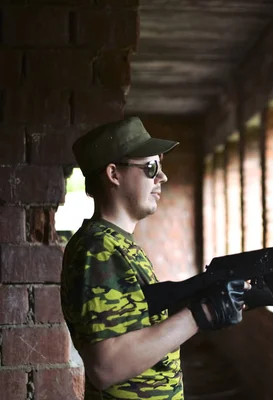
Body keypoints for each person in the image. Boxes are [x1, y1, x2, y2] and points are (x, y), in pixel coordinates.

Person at [60, 116, 248, 399]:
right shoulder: (98, 249)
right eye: (151, 167)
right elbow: (106, 366)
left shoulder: (117, 243)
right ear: (114, 174)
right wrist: (202, 313)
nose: (162, 177)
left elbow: (136, 326)